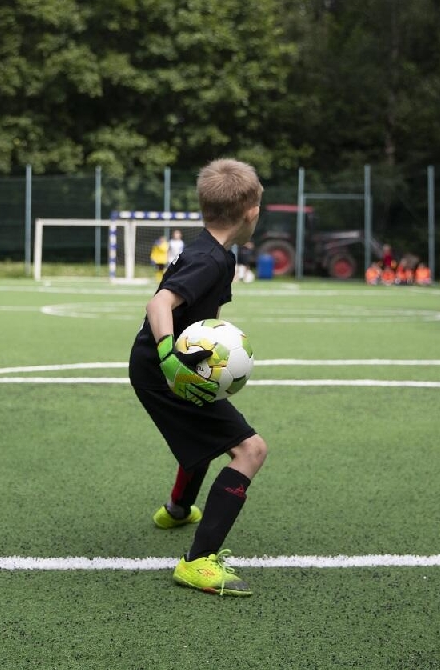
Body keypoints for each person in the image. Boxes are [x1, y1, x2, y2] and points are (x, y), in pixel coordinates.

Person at [129, 158, 267, 597]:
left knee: (208, 429)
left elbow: (205, 317)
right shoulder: (210, 260)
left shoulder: (214, 252)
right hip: (163, 369)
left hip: (169, 367)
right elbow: (158, 305)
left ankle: (177, 508)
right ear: (250, 211)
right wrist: (171, 358)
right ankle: (197, 562)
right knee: (250, 450)